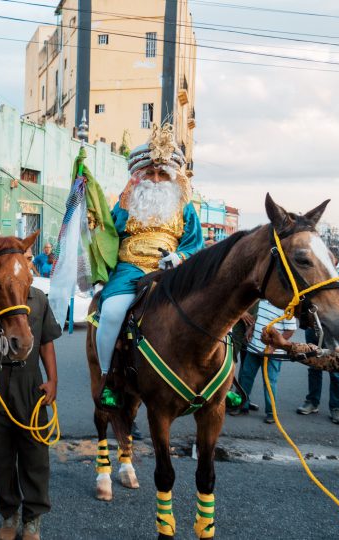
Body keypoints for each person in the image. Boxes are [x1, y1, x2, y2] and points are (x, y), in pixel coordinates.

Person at [96, 123, 203, 407]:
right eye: (150, 173)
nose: (155, 179)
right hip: (130, 270)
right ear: (139, 175)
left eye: (161, 174)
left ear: (172, 177)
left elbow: (195, 242)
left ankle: (218, 379)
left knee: (209, 309)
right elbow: (109, 234)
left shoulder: (185, 206)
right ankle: (107, 378)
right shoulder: (124, 202)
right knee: (111, 312)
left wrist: (179, 257)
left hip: (173, 272)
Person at [0, 280, 61, 540]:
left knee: (34, 453)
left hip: (30, 383)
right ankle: (9, 514)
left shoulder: (38, 299)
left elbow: (46, 342)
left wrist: (52, 380)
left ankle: (32, 519)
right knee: (0, 457)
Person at [231, 299, 297, 424]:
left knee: (269, 382)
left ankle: (271, 413)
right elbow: (258, 319)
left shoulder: (286, 308)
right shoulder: (263, 302)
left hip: (272, 354)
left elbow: (290, 330)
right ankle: (242, 406)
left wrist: (274, 346)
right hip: (254, 348)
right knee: (246, 377)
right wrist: (250, 329)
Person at [294, 327, 339, 425]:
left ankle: (336, 408)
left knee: (336, 371)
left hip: (332, 330)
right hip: (312, 328)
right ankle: (312, 402)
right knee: (314, 366)